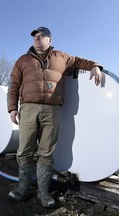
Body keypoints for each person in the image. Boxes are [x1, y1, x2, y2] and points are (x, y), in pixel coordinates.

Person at [7, 27, 103, 208]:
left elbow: (80, 61)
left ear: (49, 40)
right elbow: (13, 85)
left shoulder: (62, 57)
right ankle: (22, 188)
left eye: (41, 36)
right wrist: (12, 108)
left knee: (46, 152)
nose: (37, 39)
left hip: (52, 110)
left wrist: (95, 66)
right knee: (25, 150)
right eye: (35, 36)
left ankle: (43, 193)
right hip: (28, 108)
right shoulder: (23, 60)